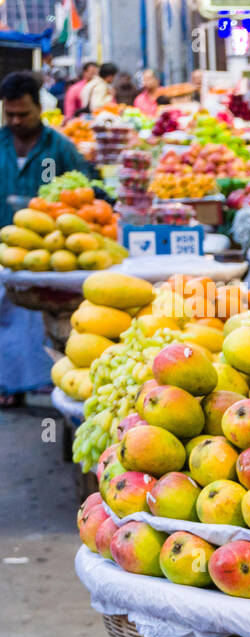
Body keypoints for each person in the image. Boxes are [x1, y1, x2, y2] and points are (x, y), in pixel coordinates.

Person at [0, 71, 96, 407]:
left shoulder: (59, 147)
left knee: (35, 320)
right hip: (3, 250)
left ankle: (42, 382)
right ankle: (8, 384)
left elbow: (90, 187)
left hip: (48, 255)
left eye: (22, 114)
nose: (14, 120)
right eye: (8, 113)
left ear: (39, 108)